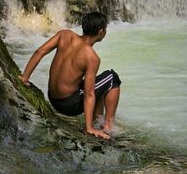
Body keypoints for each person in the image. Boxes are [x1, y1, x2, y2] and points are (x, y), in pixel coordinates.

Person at [19, 11, 121, 140]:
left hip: (52, 98)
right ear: (101, 31)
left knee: (100, 83)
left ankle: (98, 120)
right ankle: (107, 125)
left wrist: (25, 78)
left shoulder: (64, 35)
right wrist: (88, 128)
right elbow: (89, 94)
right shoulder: (91, 57)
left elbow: (40, 51)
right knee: (112, 78)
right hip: (69, 106)